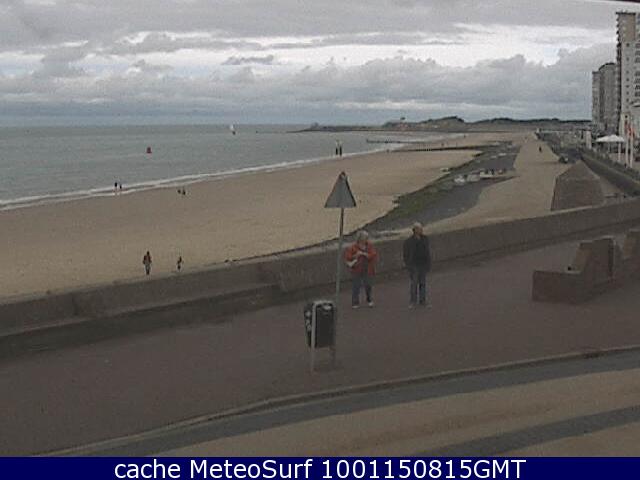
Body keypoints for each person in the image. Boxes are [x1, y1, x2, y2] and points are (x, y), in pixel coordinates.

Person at [344, 230, 378, 308]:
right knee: (356, 286)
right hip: (357, 269)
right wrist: (356, 255)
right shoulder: (353, 247)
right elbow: (348, 257)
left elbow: (373, 255)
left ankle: (369, 299)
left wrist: (365, 254)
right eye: (365, 238)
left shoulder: (369, 246)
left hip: (367, 269)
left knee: (368, 285)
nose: (366, 239)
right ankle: (355, 302)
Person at [403, 222, 432, 308]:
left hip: (423, 264)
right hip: (414, 265)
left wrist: (428, 263)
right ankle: (413, 301)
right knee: (414, 284)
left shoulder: (425, 239)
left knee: (423, 283)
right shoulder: (409, 241)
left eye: (421, 228)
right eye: (419, 229)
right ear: (415, 230)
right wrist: (408, 264)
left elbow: (427, 251)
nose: (421, 230)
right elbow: (406, 254)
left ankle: (422, 301)